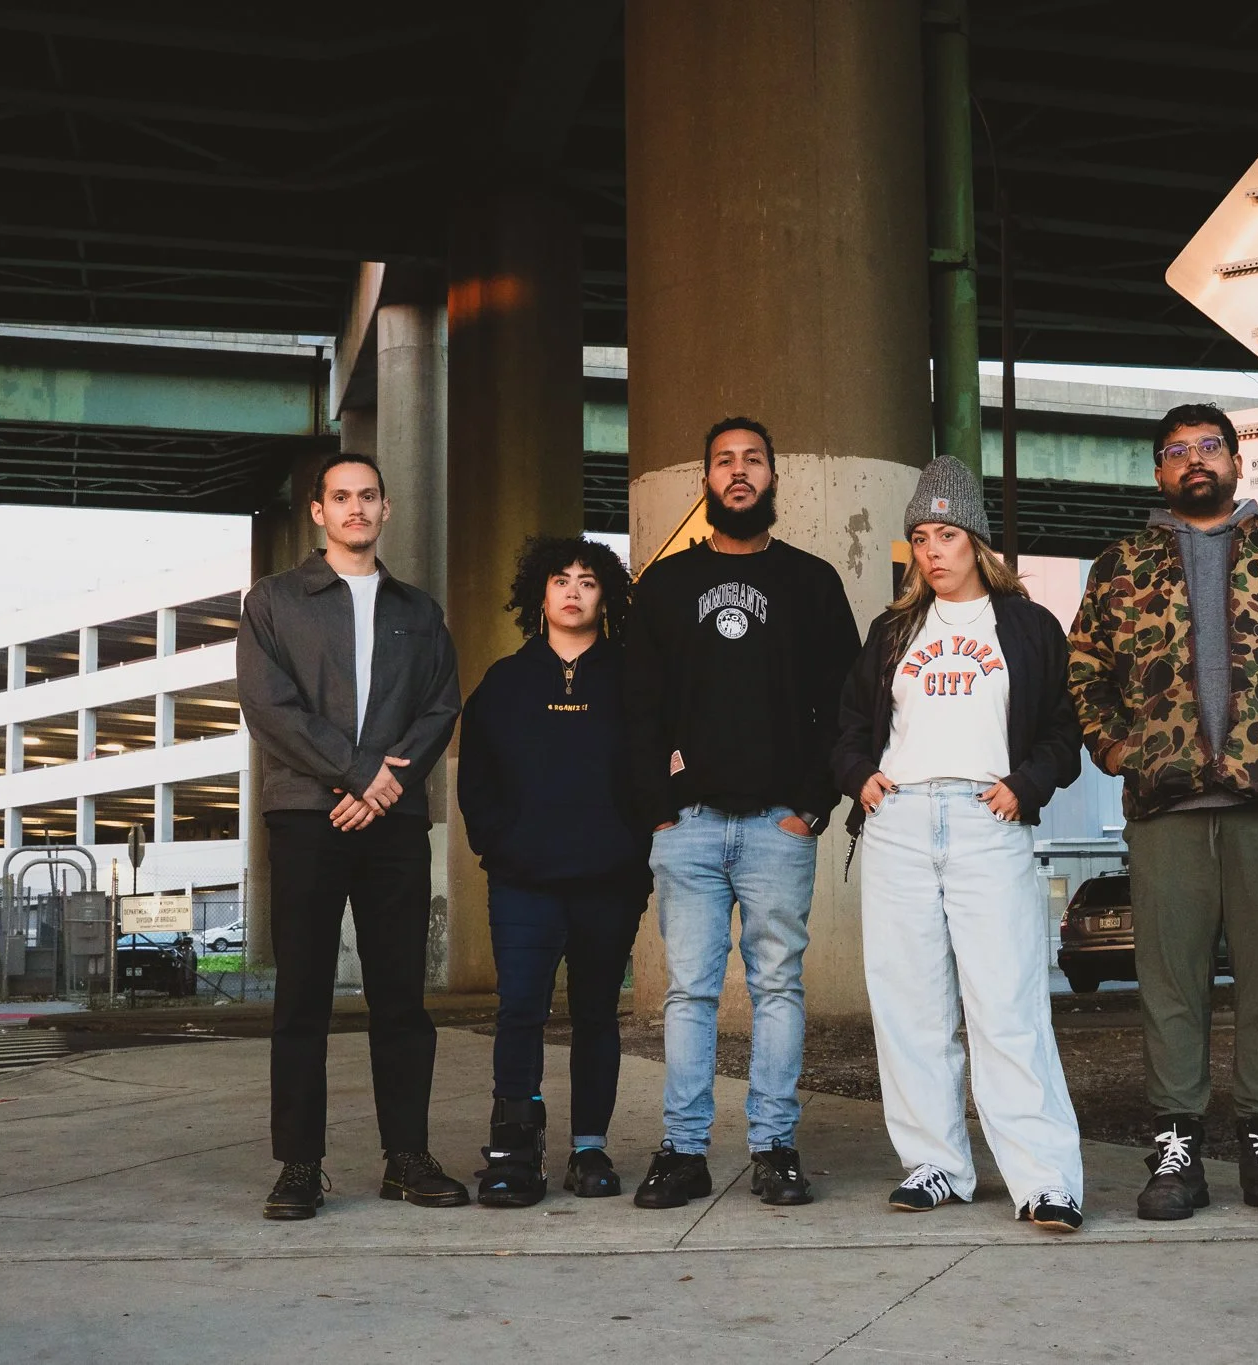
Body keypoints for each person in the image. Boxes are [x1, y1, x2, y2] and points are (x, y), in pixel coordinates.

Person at [1067, 403, 1258, 1223]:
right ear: (1158, 472)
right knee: (1170, 982)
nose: (1194, 461)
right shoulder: (1120, 564)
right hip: (1165, 805)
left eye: (1210, 447)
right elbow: (1085, 672)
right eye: (1176, 452)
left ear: (1239, 462)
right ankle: (1176, 1145)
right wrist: (1114, 750)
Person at [834, 456, 1088, 1232]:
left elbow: (1063, 732)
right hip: (901, 820)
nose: (932, 549)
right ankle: (936, 1163)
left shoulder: (1029, 626)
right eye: (920, 536)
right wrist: (862, 779)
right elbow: (845, 727)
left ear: (976, 540)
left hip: (988, 819)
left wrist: (1025, 784)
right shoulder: (892, 630)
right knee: (909, 1004)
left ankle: (1045, 1180)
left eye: (946, 533)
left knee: (1006, 1003)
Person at [623, 416, 861, 1209]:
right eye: (723, 461)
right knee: (689, 992)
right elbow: (638, 709)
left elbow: (847, 703)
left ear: (772, 478)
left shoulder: (813, 583)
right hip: (686, 826)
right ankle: (683, 1150)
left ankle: (775, 1147)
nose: (738, 472)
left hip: (776, 825)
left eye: (752, 460)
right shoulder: (663, 586)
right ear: (705, 481)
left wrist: (812, 804)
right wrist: (657, 808)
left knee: (778, 989)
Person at [236, 451, 467, 1220]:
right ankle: (299, 1165)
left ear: (386, 509)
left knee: (400, 994)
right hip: (307, 813)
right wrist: (359, 774)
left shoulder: (418, 610)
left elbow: (441, 706)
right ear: (318, 511)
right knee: (301, 994)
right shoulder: (273, 601)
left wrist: (383, 786)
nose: (356, 508)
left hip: (393, 820)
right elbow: (269, 707)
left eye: (369, 496)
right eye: (342, 497)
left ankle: (407, 1157)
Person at [457, 536, 650, 1207]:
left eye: (588, 580)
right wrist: (499, 845)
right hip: (523, 880)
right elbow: (476, 778)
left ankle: (589, 1148)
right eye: (561, 579)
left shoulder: (632, 679)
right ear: (539, 594)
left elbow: (654, 772)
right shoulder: (505, 682)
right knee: (520, 1010)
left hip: (609, 879)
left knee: (597, 1012)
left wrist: (633, 846)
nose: (573, 590)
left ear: (607, 596)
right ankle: (514, 1151)